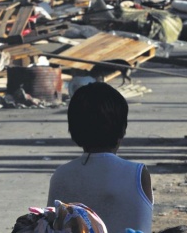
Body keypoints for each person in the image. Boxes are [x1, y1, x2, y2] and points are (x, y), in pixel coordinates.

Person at [47, 82, 154, 233]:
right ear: (123, 129)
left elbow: (49, 225)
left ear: (74, 130)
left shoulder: (61, 175)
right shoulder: (137, 174)